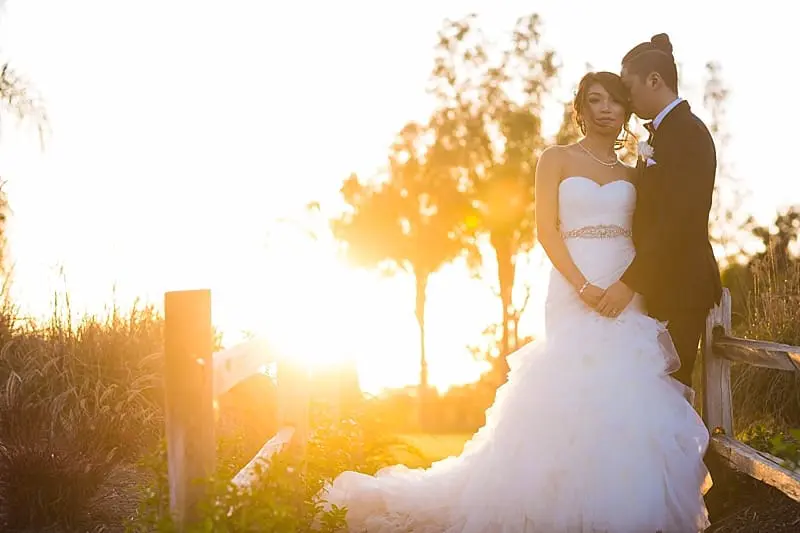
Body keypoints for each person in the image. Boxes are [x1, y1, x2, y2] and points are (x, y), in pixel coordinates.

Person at [320, 71, 712, 532]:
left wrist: (627, 284)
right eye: (595, 100)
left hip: (626, 287)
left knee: (629, 389)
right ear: (581, 109)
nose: (605, 109)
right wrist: (583, 285)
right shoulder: (556, 159)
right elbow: (546, 230)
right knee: (571, 384)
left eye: (614, 101)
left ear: (626, 111)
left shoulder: (635, 172)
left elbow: (653, 232)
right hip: (574, 284)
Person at [597, 33, 723, 389]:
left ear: (654, 80)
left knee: (667, 398)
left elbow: (677, 223)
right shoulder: (660, 135)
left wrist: (629, 283)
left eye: (628, 87)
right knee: (646, 395)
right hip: (660, 285)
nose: (625, 98)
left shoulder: (688, 134)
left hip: (681, 287)